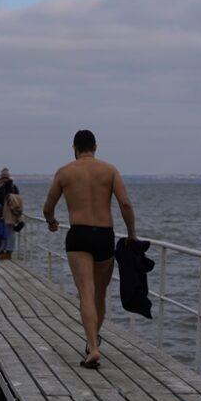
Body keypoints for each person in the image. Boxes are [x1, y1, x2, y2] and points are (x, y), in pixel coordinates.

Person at [42, 129, 136, 369]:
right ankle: (93, 341)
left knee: (85, 292)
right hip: (104, 235)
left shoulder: (65, 172)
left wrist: (52, 222)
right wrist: (132, 233)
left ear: (74, 148)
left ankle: (92, 347)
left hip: (79, 235)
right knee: (99, 294)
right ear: (95, 147)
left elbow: (48, 207)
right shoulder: (109, 170)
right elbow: (125, 203)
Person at [0, 168, 19, 256]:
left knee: (10, 232)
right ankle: (2, 249)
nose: (4, 180)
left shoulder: (12, 186)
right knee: (1, 231)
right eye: (3, 178)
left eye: (6, 178)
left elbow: (16, 198)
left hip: (10, 212)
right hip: (0, 211)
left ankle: (9, 250)